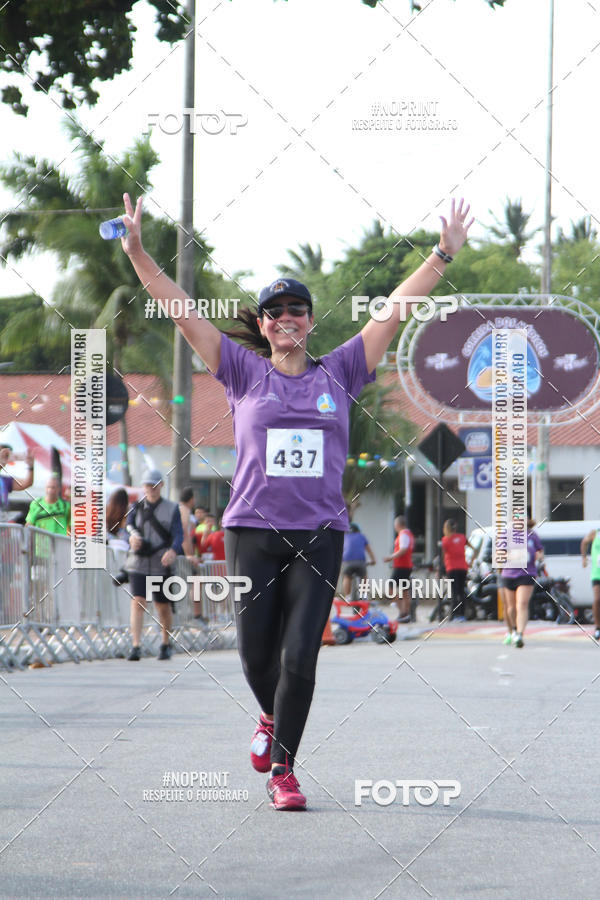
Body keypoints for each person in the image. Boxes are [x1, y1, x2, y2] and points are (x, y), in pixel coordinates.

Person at [120, 191, 472, 811]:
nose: (286, 318)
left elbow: (394, 309)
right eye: (275, 311)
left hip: (319, 533)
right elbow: (182, 312)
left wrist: (442, 254)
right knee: (256, 655)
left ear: (310, 320)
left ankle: (283, 770)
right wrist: (140, 255)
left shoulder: (342, 370)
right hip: (252, 532)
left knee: (301, 655)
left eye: (297, 310)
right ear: (262, 325)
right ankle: (269, 715)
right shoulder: (240, 371)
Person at [125, 469, 184, 661]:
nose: (151, 488)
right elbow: (127, 529)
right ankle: (136, 645)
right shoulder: (135, 507)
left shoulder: (172, 508)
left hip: (161, 562)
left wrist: (173, 551)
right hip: (139, 562)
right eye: (148, 485)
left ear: (161, 485)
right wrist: (131, 539)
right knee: (138, 601)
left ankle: (166, 643)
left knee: (162, 605)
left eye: (155, 485)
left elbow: (178, 534)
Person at [500, 518, 544, 648]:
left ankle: (520, 634)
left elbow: (540, 551)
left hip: (527, 574)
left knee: (522, 604)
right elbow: (500, 555)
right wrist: (515, 556)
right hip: (509, 573)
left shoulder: (532, 535)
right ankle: (513, 630)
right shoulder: (506, 534)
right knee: (511, 607)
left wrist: (539, 556)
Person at [383, 516, 415, 623]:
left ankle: (402, 612)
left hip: (401, 566)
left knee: (390, 588)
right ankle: (406, 614)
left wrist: (390, 557)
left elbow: (403, 549)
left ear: (398, 525)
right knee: (404, 591)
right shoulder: (409, 534)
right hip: (406, 566)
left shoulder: (403, 534)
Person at [441, 519, 473, 622]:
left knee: (454, 592)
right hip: (463, 567)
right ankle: (462, 615)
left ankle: (454, 615)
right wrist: (471, 561)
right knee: (461, 591)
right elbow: (474, 549)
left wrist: (441, 568)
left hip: (451, 568)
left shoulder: (445, 540)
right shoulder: (462, 537)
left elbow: (443, 555)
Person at [341, 522, 376, 598]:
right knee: (364, 577)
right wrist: (373, 560)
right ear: (358, 530)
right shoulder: (361, 536)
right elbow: (369, 550)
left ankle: (347, 596)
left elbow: (341, 550)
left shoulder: (345, 537)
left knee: (347, 576)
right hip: (360, 562)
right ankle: (364, 595)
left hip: (347, 561)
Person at [0, 444, 35, 520]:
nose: (3, 457)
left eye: (6, 456)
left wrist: (30, 467)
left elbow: (26, 483)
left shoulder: (3, 480)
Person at [580, 526, 600, 642]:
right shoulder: (595, 533)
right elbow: (584, 542)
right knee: (597, 599)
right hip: (597, 573)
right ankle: (598, 627)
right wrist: (584, 558)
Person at [179, 486, 196, 557]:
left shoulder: (180, 509)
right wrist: (189, 555)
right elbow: (184, 533)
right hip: (181, 551)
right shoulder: (184, 510)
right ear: (191, 499)